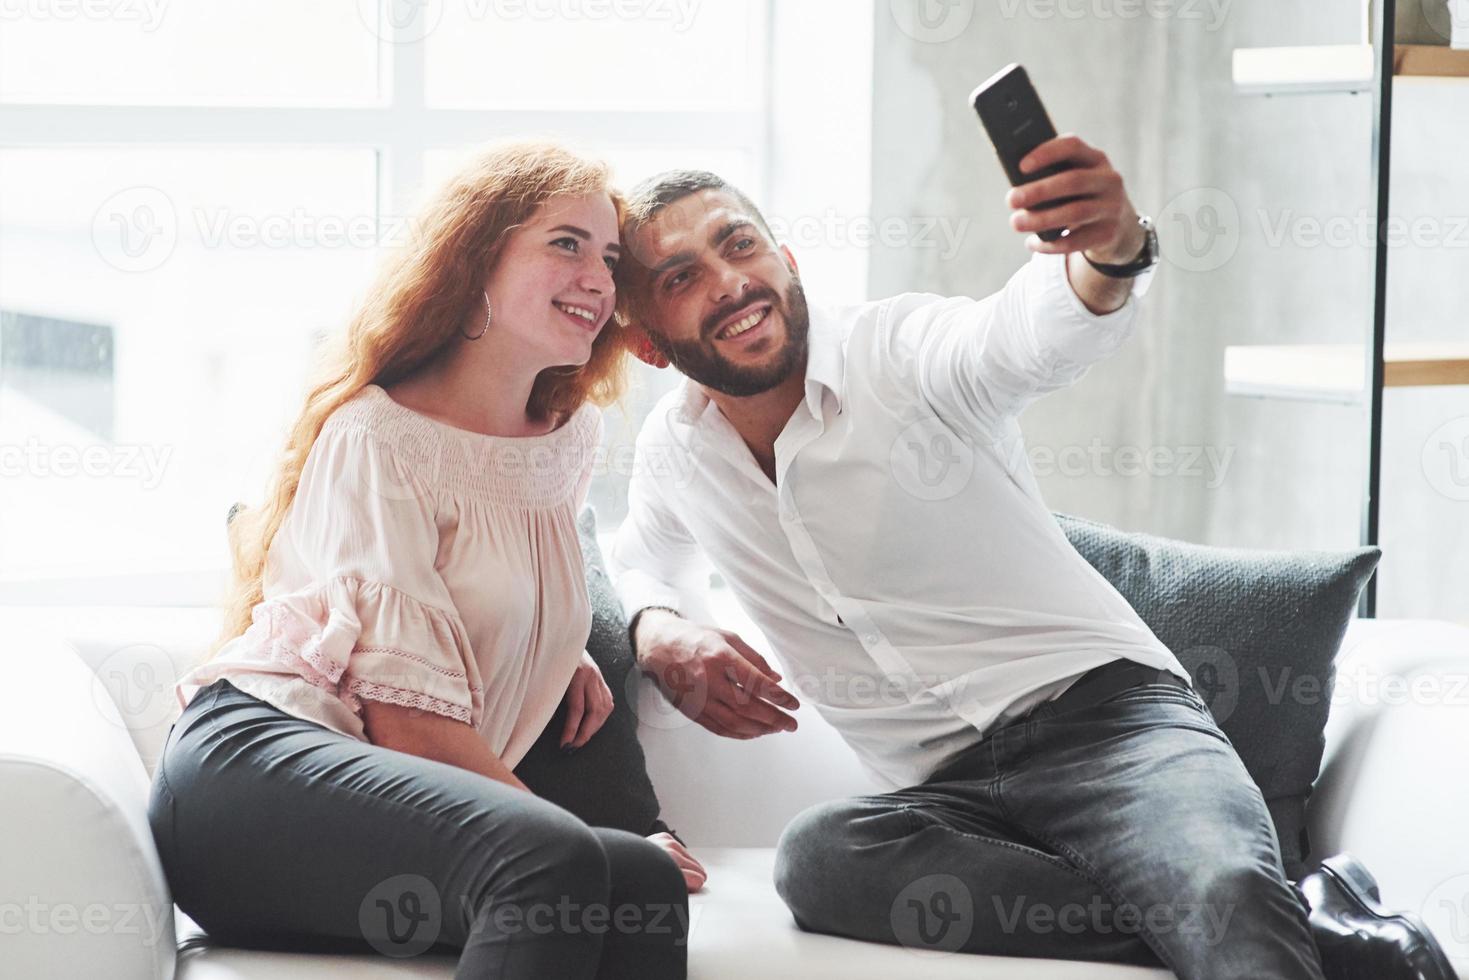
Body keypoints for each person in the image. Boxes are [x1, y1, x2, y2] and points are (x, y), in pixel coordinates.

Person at [605, 134, 1457, 980]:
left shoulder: (899, 353)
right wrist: (657, 630)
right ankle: (1315, 919)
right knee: (822, 857)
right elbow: (641, 564)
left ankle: (1250, 907)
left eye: (740, 244)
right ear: (647, 344)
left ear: (785, 259)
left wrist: (1109, 251)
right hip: (942, 795)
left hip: (1112, 726)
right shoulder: (675, 455)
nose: (731, 283)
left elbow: (1025, 335)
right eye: (681, 278)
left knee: (1225, 887)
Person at [148, 139, 703, 980]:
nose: (597, 277)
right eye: (565, 243)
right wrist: (571, 834)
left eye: (610, 257)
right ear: (474, 257)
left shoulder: (565, 442)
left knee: (643, 885)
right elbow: (406, 722)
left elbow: (487, 601)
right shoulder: (376, 436)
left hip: (383, 816)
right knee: (558, 863)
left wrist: (556, 650)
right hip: (254, 778)